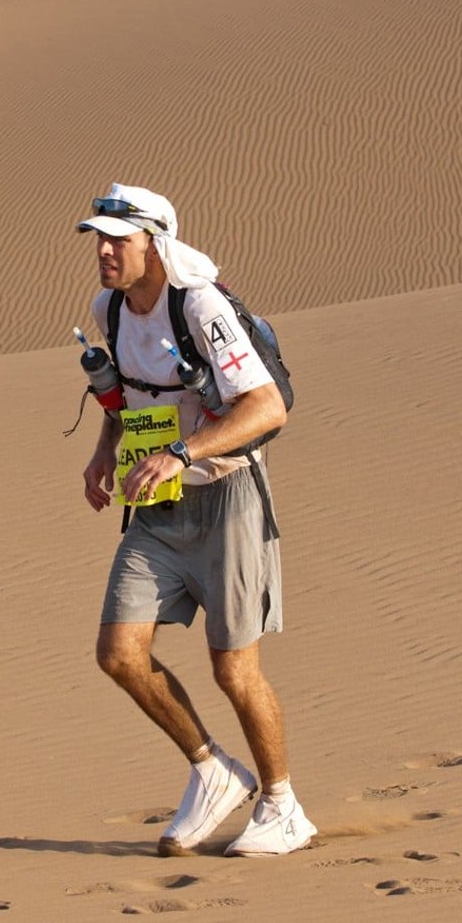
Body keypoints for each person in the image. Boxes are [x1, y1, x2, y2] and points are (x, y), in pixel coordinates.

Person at [78, 182, 315, 858]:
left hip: (228, 498)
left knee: (233, 670)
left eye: (118, 240)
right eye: (99, 240)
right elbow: (129, 394)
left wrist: (181, 453)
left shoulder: (201, 306)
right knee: (119, 655)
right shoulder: (109, 309)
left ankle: (282, 805)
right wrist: (104, 451)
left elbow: (267, 407)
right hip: (156, 501)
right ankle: (212, 770)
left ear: (155, 243)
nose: (104, 252)